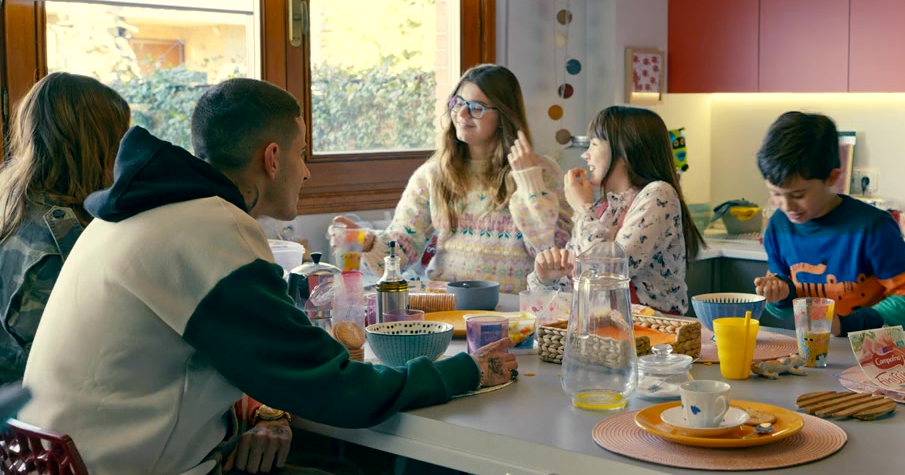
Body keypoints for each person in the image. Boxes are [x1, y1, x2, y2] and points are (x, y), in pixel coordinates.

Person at [20, 79, 518, 475]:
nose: (307, 172)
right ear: (273, 157)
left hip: (59, 459)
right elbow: (332, 389)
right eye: (302, 154)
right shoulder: (210, 228)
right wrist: (467, 371)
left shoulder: (141, 212)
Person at [337, 64, 571, 293]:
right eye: (457, 102)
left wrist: (529, 182)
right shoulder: (432, 175)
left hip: (513, 308)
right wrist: (368, 243)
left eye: (476, 107)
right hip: (446, 304)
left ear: (504, 116)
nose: (461, 113)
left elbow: (552, 252)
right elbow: (401, 252)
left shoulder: (541, 172)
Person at [0, 73, 130, 384]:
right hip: (38, 407)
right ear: (101, 145)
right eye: (122, 138)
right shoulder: (64, 236)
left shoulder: (12, 203)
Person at [751, 112, 905, 333]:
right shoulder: (779, 227)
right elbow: (781, 310)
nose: (786, 206)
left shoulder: (871, 227)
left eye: (798, 195)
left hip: (880, 350)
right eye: (776, 193)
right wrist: (779, 293)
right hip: (816, 347)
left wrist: (847, 325)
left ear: (832, 178)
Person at [528, 106, 705, 315]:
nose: (586, 155)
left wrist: (583, 209)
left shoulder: (659, 194)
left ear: (624, 150)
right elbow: (579, 285)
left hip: (651, 329)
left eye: (594, 144)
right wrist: (546, 278)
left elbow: (609, 272)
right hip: (607, 326)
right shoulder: (604, 208)